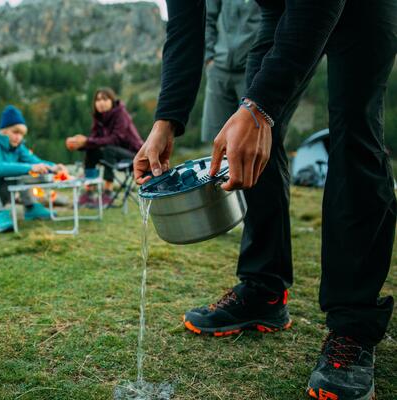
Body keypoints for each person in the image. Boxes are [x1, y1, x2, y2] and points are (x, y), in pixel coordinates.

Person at [133, 1, 396, 399]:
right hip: (280, 8)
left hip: (365, 8)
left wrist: (261, 108)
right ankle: (264, 289)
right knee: (252, 135)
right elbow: (186, 27)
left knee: (355, 134)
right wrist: (165, 121)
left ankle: (353, 325)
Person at [0, 105, 67, 233]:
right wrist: (30, 167)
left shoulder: (17, 146)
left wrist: (54, 167)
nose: (19, 137)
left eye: (21, 134)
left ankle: (31, 207)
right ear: (4, 130)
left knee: (20, 171)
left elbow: (35, 162)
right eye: (15, 132)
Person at [66, 88, 144, 207]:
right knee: (92, 151)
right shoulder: (99, 118)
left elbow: (116, 139)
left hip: (134, 155)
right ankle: (89, 192)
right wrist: (79, 144)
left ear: (112, 101)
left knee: (108, 148)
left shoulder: (120, 114)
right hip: (113, 155)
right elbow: (94, 141)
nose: (101, 102)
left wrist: (86, 141)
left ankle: (108, 192)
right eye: (97, 100)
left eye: (105, 99)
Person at [201, 0, 260, 143]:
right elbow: (207, 16)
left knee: (253, 139)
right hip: (218, 69)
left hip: (252, 72)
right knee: (217, 140)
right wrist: (209, 58)